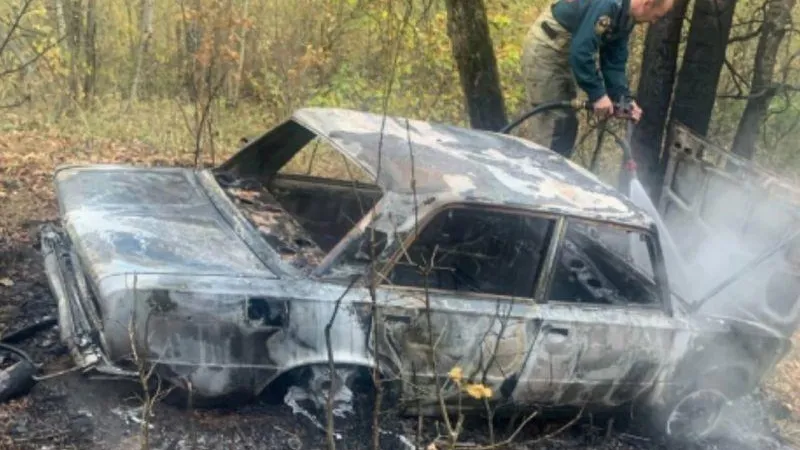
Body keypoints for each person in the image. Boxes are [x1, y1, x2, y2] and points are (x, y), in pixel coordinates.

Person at [520, 0, 674, 158]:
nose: (654, 21)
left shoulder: (626, 16)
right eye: (656, 16)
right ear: (647, 4)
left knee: (567, 126)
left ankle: (552, 174)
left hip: (565, 52)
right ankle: (540, 175)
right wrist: (598, 95)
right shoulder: (608, 5)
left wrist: (623, 98)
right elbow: (581, 53)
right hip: (546, 50)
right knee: (555, 125)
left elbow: (614, 61)